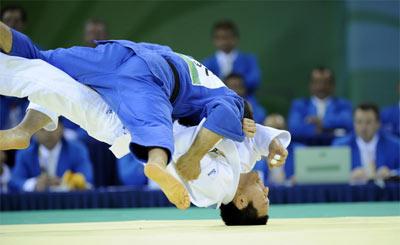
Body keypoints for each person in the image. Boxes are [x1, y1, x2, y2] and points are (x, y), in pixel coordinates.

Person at [0, 53, 290, 225]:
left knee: (46, 80)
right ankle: (25, 130)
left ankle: (19, 113)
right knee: (55, 77)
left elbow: (189, 145)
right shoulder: (242, 164)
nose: (267, 193)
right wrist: (271, 140)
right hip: (141, 103)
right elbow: (252, 142)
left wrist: (233, 126)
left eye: (263, 201)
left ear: (240, 202)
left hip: (127, 123)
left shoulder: (215, 190)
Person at [0, 21, 247, 209]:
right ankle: (156, 163)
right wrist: (193, 157)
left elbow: (159, 52)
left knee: (42, 61)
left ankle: (23, 130)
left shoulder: (204, 75)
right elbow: (225, 116)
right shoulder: (232, 99)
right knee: (154, 119)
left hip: (123, 53)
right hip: (156, 76)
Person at [8, 120, 93, 192]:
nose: (48, 133)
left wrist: (64, 182)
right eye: (42, 130)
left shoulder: (77, 150)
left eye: (52, 128)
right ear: (34, 133)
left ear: (62, 128)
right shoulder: (25, 154)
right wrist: (35, 183)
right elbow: (15, 181)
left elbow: (87, 178)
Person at [332, 103, 400, 184]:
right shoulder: (340, 146)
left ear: (378, 124)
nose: (363, 127)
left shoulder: (395, 145)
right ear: (353, 123)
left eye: (368, 122)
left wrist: (391, 174)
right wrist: (348, 176)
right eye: (359, 122)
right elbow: (332, 174)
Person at [288, 67, 353, 140]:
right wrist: (321, 131)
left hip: (337, 148)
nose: (321, 86)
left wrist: (323, 122)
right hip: (306, 148)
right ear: (310, 85)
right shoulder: (299, 105)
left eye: (326, 82)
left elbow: (348, 124)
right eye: (317, 82)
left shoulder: (343, 105)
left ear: (333, 85)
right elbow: (294, 129)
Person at [203, 20, 261, 97]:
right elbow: (205, 84)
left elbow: (254, 80)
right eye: (219, 38)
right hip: (218, 102)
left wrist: (235, 86)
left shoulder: (249, 60)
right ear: (214, 40)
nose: (223, 41)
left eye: (227, 37)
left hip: (246, 100)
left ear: (235, 38)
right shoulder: (207, 63)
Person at [253, 114, 304, 186]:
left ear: (285, 130)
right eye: (270, 129)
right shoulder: (255, 154)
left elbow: (306, 175)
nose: (275, 133)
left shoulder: (298, 150)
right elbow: (257, 181)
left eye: (279, 128)